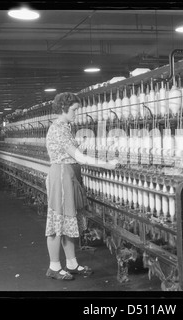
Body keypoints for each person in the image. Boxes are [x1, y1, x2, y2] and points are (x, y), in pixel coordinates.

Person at [45, 92, 118, 280]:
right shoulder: (59, 128)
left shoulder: (65, 127)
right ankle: (54, 267)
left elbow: (75, 151)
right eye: (74, 109)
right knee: (57, 222)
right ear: (63, 108)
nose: (77, 113)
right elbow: (78, 157)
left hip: (68, 174)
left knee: (69, 220)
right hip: (61, 175)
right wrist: (107, 164)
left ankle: (71, 263)